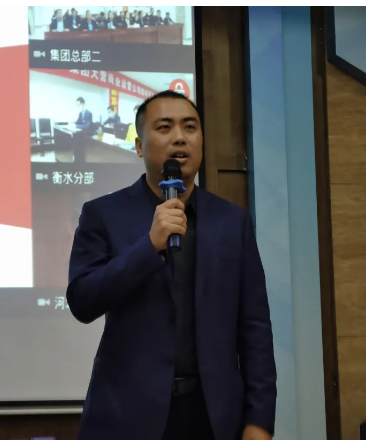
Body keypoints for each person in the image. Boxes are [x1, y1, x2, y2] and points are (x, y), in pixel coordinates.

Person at [67, 90, 277, 440]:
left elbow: (254, 326)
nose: (180, 137)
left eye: (190, 127)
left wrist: (259, 421)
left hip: (214, 417)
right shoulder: (103, 214)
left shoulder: (232, 222)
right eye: (164, 127)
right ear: (139, 146)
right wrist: (148, 246)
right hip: (128, 416)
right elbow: (82, 301)